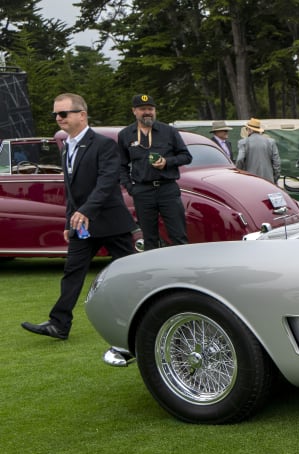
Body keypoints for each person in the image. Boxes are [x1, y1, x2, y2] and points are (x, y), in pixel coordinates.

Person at [22, 93, 137, 340]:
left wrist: (86, 211)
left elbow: (107, 183)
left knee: (133, 271)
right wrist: (68, 221)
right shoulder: (66, 148)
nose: (58, 118)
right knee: (72, 272)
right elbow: (72, 190)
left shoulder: (104, 144)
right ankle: (59, 324)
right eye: (55, 114)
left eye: (63, 113)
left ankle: (155, 311)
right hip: (81, 226)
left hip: (110, 223)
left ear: (82, 115)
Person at [117, 93, 192, 249]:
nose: (147, 112)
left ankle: (183, 270)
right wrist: (131, 188)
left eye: (150, 109)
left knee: (178, 235)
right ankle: (152, 272)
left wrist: (167, 162)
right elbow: (121, 165)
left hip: (167, 189)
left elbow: (186, 156)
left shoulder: (169, 132)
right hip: (142, 191)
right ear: (134, 111)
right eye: (142, 109)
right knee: (149, 238)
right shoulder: (125, 135)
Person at [235, 117, 281, 184]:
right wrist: (275, 177)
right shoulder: (271, 142)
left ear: (250, 130)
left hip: (250, 180)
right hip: (268, 180)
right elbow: (277, 162)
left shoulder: (243, 142)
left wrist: (240, 174)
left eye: (247, 129)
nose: (247, 131)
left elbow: (240, 159)